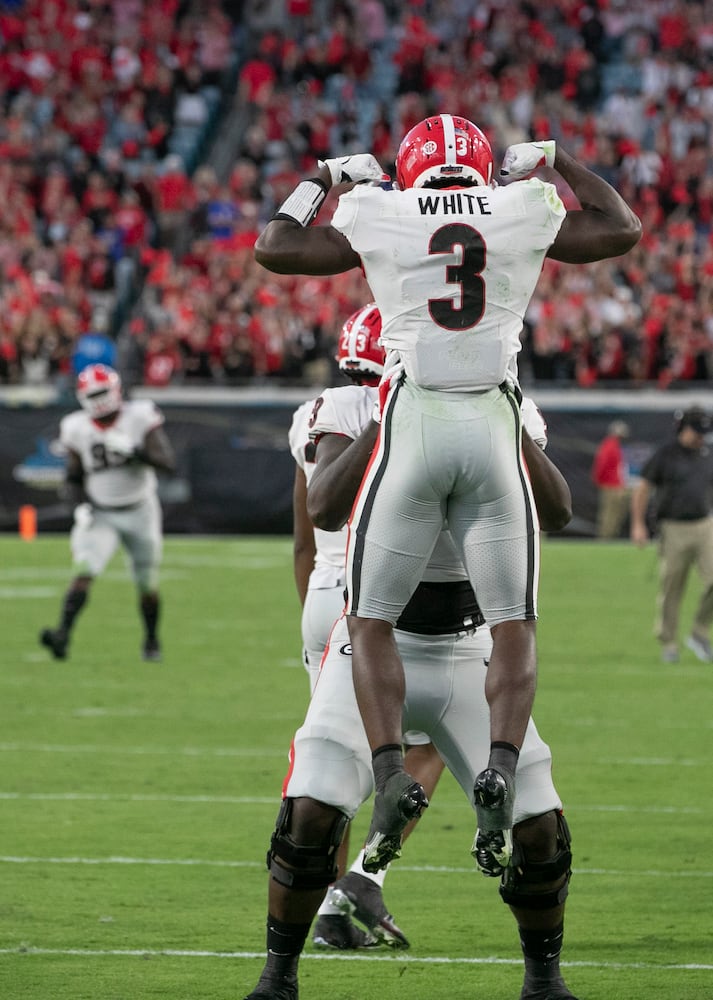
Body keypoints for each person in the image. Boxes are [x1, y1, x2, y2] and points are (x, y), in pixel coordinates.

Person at [254, 117, 642, 877]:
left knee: (364, 622)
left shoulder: (383, 211)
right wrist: (561, 161)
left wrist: (328, 176)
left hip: (415, 417)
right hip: (493, 415)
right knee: (514, 619)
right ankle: (499, 760)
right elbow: (620, 227)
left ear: (409, 166)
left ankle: (388, 772)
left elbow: (276, 245)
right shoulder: (520, 206)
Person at [243, 383, 578, 1000]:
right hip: (372, 634)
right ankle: (277, 979)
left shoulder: (508, 408)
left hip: (471, 640)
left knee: (539, 827)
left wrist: (507, 426)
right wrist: (391, 416)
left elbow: (557, 516)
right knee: (311, 806)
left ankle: (544, 982)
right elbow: (324, 510)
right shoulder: (356, 407)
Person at [288, 303, 425, 950]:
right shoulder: (409, 412)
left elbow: (304, 539)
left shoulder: (317, 413)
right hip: (381, 596)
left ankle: (324, 903)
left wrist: (311, 623)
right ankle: (358, 880)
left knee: (331, 759)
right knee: (420, 749)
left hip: (322, 593)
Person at [39, 363, 176, 662]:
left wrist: (136, 452)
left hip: (141, 510)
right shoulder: (76, 427)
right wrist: (79, 507)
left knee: (146, 582)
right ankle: (62, 634)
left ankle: (151, 640)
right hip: (101, 512)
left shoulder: (139, 417)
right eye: (94, 394)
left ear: (116, 390)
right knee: (84, 570)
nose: (100, 400)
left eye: (103, 392)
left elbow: (167, 462)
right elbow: (73, 478)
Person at [630, 405, 713, 664]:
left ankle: (699, 632)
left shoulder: (707, 454)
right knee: (672, 587)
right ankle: (669, 642)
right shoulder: (665, 455)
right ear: (682, 428)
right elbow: (643, 488)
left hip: (704, 525)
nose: (700, 437)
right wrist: (638, 524)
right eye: (695, 431)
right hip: (673, 527)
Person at [591, 420, 630, 539]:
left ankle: (610, 537)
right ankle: (606, 538)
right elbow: (601, 465)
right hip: (611, 486)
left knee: (614, 514)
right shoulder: (610, 446)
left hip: (614, 486)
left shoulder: (613, 446)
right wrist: (600, 480)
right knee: (609, 515)